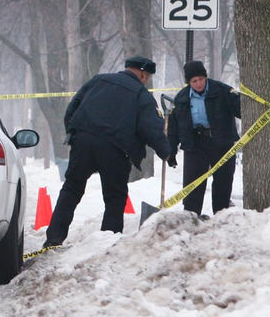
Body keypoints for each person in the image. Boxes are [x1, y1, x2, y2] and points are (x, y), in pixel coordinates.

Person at [43, 56, 174, 248]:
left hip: (83, 142)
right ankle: (108, 241)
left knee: (71, 189)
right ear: (143, 74)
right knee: (115, 197)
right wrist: (166, 152)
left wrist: (74, 135)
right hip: (115, 149)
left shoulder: (98, 80)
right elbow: (151, 128)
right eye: (147, 77)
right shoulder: (141, 94)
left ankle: (54, 238)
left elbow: (72, 109)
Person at [167, 61, 241, 218]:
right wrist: (171, 151)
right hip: (195, 144)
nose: (199, 83)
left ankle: (221, 217)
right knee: (193, 184)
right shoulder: (181, 98)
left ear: (205, 77)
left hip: (221, 142)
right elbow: (174, 128)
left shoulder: (222, 91)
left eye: (201, 79)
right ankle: (191, 217)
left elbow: (242, 110)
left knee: (223, 181)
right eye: (194, 81)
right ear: (189, 82)